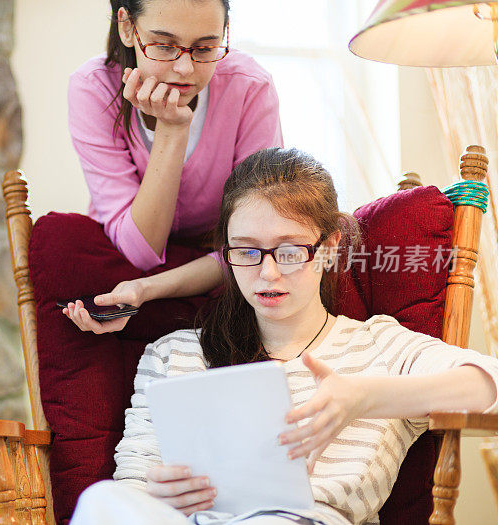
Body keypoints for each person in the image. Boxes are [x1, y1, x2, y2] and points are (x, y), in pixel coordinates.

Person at [68, 147, 498, 525]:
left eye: (290, 251)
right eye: (247, 251)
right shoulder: (175, 353)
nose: (268, 273)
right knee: (102, 500)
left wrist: (363, 397)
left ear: (329, 248)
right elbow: (132, 488)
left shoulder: (378, 348)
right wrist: (159, 494)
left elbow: (489, 385)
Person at [62, 0, 282, 332]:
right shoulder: (93, 88)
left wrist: (148, 289)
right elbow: (140, 252)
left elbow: (254, 245)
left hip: (218, 271)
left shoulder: (249, 87)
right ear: (127, 27)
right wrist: (172, 130)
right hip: (124, 268)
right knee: (56, 240)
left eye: (206, 48)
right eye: (164, 46)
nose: (185, 69)